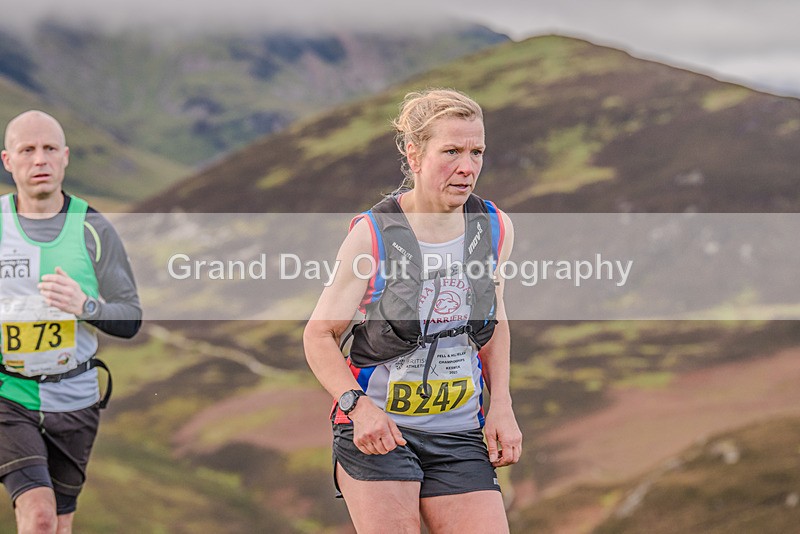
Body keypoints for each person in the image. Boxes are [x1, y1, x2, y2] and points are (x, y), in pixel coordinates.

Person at [304, 89, 522, 533]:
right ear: (415, 154)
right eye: (452, 151)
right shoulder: (373, 235)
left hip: (459, 432)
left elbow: (493, 322)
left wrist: (502, 405)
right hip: (381, 428)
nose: (468, 167)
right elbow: (318, 335)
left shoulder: (495, 227)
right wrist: (358, 407)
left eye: (476, 151)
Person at [0, 110, 141, 534]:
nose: (39, 160)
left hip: (76, 399)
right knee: (39, 516)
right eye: (27, 150)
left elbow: (131, 317)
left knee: (60, 523)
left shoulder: (93, 228)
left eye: (48, 150)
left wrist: (87, 307)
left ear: (65, 157)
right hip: (9, 392)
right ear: (8, 160)